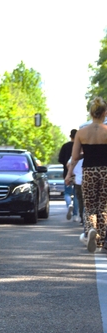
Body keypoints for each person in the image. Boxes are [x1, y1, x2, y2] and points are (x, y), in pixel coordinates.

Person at [65, 97, 107, 253]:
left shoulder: (81, 133)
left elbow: (74, 158)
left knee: (89, 206)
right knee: (103, 207)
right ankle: (100, 241)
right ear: (105, 113)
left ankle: (90, 230)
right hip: (105, 172)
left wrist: (69, 174)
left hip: (88, 171)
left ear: (91, 113)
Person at [59, 129, 77, 220]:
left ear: (70, 136)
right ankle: (75, 215)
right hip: (77, 173)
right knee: (76, 194)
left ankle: (69, 203)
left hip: (67, 173)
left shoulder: (65, 146)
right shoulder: (79, 147)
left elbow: (61, 160)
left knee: (67, 192)